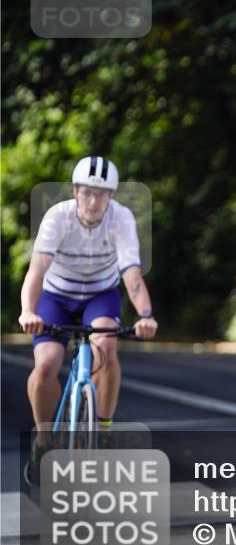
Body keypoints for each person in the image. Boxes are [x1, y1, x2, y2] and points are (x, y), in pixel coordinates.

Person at [19, 156, 158, 478]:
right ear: (75, 191)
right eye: (88, 193)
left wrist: (146, 315)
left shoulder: (121, 219)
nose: (94, 201)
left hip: (99, 295)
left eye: (103, 194)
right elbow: (36, 271)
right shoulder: (58, 217)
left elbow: (132, 275)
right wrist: (28, 311)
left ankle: (103, 429)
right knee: (47, 364)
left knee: (107, 347)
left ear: (112, 196)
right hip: (56, 296)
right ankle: (43, 438)